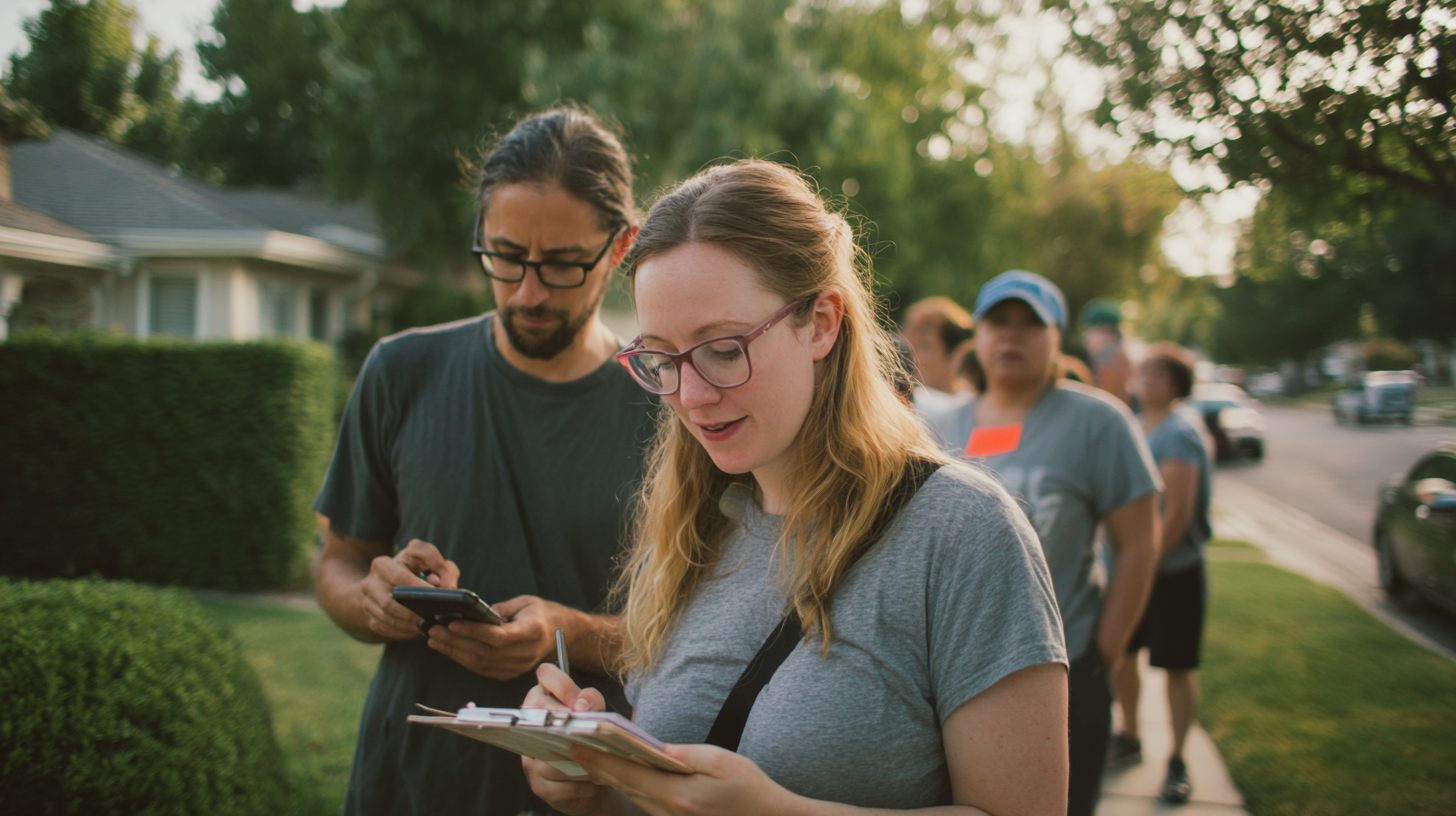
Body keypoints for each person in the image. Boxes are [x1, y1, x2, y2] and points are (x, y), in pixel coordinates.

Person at [521, 160, 1070, 814]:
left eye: (723, 349)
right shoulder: (697, 526)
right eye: (661, 359)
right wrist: (596, 782)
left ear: (822, 323)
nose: (690, 396)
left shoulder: (963, 533)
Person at [312, 107, 657, 816]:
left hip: (587, 793)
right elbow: (338, 563)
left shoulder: (672, 409)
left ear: (620, 249)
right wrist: (372, 600)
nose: (528, 292)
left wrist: (570, 634)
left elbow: (706, 631)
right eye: (504, 256)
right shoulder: (399, 372)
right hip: (407, 786)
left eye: (563, 265)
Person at [927, 270, 1161, 816]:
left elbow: (1139, 543)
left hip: (1068, 667)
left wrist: (1106, 650)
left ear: (1057, 336)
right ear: (977, 334)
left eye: (1030, 324)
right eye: (998, 322)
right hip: (953, 675)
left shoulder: (1097, 421)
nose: (1011, 336)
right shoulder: (937, 426)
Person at [1107, 344, 1212, 804]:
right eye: (1143, 370)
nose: (1145, 378)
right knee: (1123, 655)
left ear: (1176, 385)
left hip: (1173, 574)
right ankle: (1129, 735)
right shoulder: (1133, 423)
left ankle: (1177, 761)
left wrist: (1142, 567)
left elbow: (1176, 514)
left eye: (1157, 373)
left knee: (1174, 666)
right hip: (1133, 568)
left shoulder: (1179, 433)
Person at [903, 296, 976, 413]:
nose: (913, 358)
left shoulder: (972, 407)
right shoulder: (904, 406)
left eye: (925, 347)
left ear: (957, 352)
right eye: (910, 347)